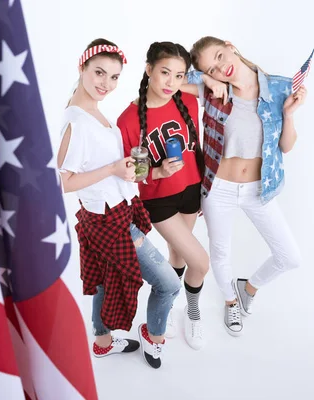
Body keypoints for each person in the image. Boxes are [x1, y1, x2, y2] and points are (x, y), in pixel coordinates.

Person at [57, 38, 181, 369]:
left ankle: (101, 343)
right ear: (82, 68)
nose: (106, 84)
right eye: (99, 73)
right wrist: (113, 168)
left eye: (113, 77)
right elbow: (62, 182)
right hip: (111, 221)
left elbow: (96, 169)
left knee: (103, 278)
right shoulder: (77, 122)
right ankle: (153, 336)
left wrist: (130, 170)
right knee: (168, 284)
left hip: (108, 211)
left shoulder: (92, 112)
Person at [182, 36, 307, 336]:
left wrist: (288, 114)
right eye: (211, 68)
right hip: (218, 187)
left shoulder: (278, 87)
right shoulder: (212, 89)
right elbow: (170, 76)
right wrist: (205, 80)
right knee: (220, 254)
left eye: (220, 57)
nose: (220, 68)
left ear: (230, 46)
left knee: (290, 256)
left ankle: (247, 288)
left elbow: (286, 147)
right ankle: (229, 301)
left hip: (258, 189)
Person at [117, 42, 209, 350]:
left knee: (179, 254)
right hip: (159, 201)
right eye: (165, 72)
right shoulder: (128, 120)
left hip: (191, 190)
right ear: (149, 70)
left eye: (179, 75)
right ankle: (192, 311)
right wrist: (158, 171)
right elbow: (136, 177)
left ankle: (169, 308)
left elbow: (214, 82)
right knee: (201, 262)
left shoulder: (187, 101)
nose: (171, 82)